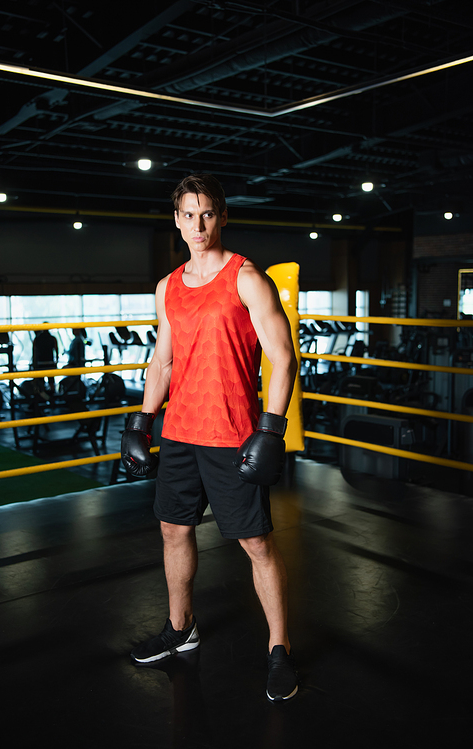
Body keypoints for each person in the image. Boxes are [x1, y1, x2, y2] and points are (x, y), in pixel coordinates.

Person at [121, 174, 298, 702]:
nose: (197, 226)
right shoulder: (168, 286)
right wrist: (141, 421)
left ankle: (280, 648)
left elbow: (283, 355)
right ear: (175, 220)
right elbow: (163, 359)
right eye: (187, 215)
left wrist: (270, 428)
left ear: (221, 217)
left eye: (207, 214)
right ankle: (181, 628)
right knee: (174, 532)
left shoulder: (246, 277)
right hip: (179, 433)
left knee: (255, 542)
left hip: (230, 434)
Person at [32, 324, 58, 393]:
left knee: (41, 382)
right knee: (51, 381)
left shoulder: (37, 339)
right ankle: (53, 397)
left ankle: (43, 397)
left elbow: (34, 353)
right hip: (50, 362)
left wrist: (34, 364)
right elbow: (56, 350)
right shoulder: (53, 338)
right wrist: (56, 362)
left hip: (40, 363)